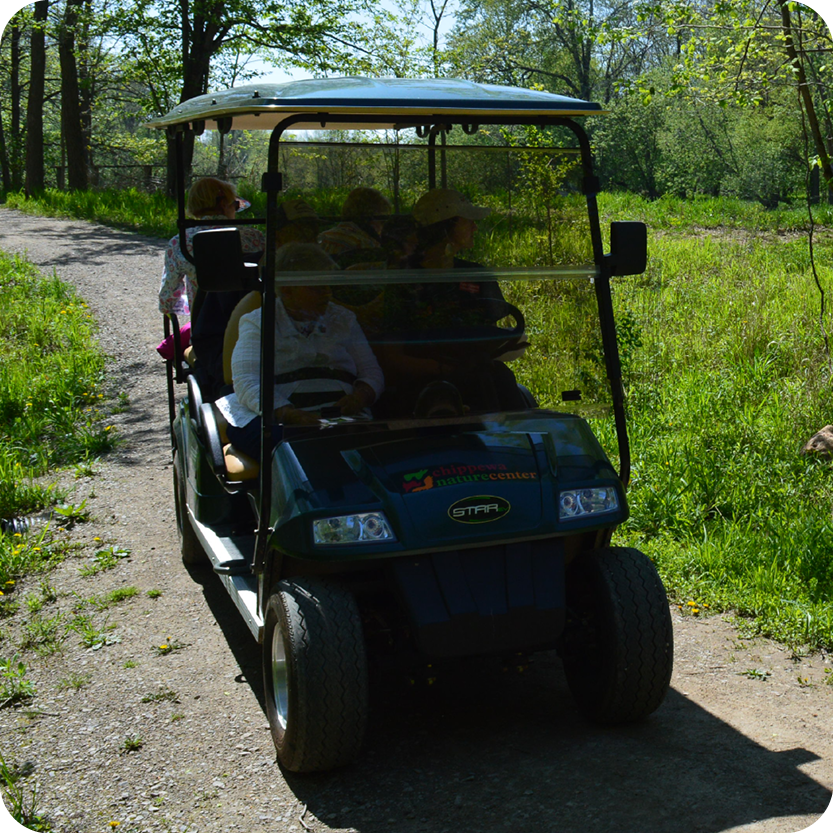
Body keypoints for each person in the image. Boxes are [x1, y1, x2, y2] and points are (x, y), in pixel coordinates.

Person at [215, 243, 384, 459]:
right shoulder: (258, 321)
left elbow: (371, 371)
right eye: (317, 288)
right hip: (276, 416)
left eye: (329, 287)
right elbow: (246, 381)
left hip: (338, 414)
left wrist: (360, 397)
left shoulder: (343, 319)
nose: (327, 294)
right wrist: (289, 414)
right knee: (288, 449)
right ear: (287, 290)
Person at [188, 197, 318, 400]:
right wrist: (237, 374)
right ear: (276, 237)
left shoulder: (324, 279)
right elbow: (208, 340)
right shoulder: (240, 276)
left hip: (316, 378)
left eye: (313, 233)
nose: (309, 240)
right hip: (253, 379)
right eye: (301, 233)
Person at [158, 177, 264, 317]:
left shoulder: (180, 243)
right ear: (224, 204)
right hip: (252, 323)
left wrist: (189, 304)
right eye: (236, 205)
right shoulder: (255, 237)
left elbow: (167, 302)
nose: (235, 210)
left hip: (204, 326)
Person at [318, 187, 392, 262]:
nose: (382, 227)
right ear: (369, 218)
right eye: (382, 221)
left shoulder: (323, 239)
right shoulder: (366, 246)